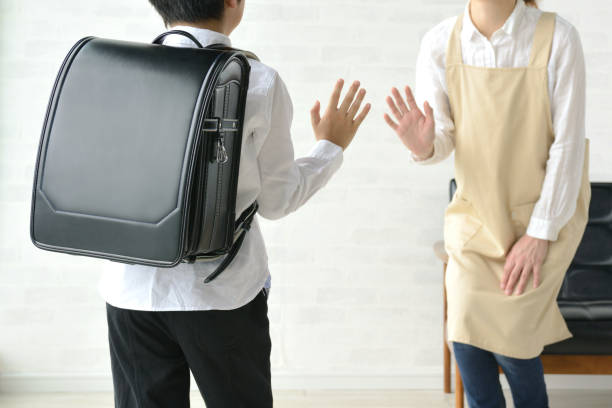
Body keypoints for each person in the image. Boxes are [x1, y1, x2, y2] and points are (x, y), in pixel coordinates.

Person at [99, 1, 371, 407]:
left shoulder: (117, 71)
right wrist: (330, 147)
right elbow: (278, 201)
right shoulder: (257, 81)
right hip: (220, 292)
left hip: (130, 288)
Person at [384, 0, 589, 407]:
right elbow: (442, 137)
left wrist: (539, 234)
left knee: (515, 350)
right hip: (475, 220)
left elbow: (568, 147)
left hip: (541, 220)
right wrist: (424, 145)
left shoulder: (558, 38)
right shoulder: (440, 42)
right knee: (466, 342)